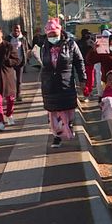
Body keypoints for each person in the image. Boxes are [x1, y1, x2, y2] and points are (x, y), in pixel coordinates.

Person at [40, 18, 86, 147]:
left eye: (54, 35)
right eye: (50, 36)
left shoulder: (70, 44)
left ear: (60, 33)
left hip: (66, 82)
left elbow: (79, 61)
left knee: (67, 111)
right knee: (53, 112)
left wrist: (82, 79)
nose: (52, 38)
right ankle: (56, 135)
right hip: (49, 84)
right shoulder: (44, 46)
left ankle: (68, 126)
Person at [5, 23, 30, 102]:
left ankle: (18, 94)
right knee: (12, 79)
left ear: (20, 30)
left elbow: (26, 48)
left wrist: (26, 57)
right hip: (11, 62)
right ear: (12, 30)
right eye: (14, 29)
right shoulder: (8, 38)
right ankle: (12, 94)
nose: (16, 30)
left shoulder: (23, 38)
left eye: (18, 29)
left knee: (19, 80)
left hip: (20, 61)